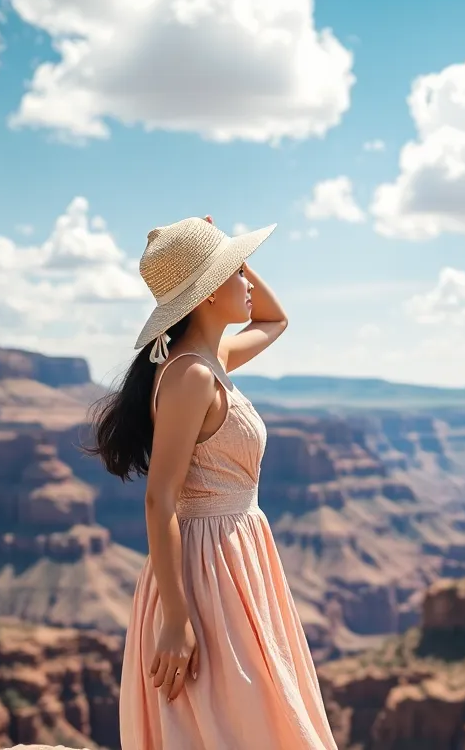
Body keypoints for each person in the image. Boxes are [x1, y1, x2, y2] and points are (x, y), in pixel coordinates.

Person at [86, 215, 338, 749]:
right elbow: (160, 499)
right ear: (205, 295)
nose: (248, 283)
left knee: (253, 711)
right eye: (236, 273)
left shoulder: (212, 359)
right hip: (205, 568)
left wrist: (229, 255)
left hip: (237, 555)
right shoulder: (190, 375)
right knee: (230, 716)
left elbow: (276, 320)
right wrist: (176, 618)